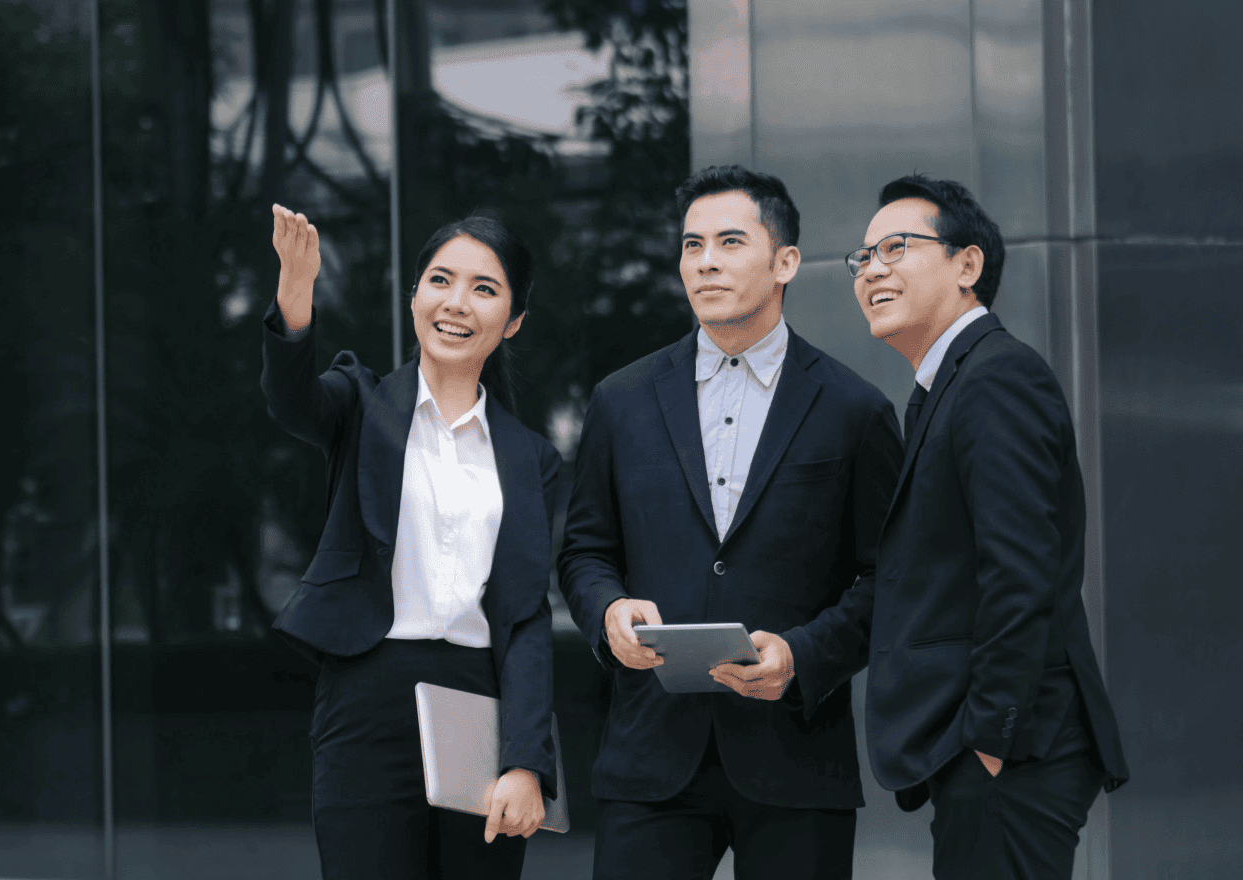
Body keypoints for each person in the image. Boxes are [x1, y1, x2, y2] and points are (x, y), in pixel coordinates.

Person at [558, 165, 903, 879]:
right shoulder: (621, 402)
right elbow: (585, 550)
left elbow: (890, 577)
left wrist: (804, 657)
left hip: (796, 753)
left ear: (785, 263)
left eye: (729, 241)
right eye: (691, 245)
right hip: (650, 754)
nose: (705, 260)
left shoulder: (854, 410)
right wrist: (609, 611)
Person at [792, 173, 1130, 878]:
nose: (872, 270)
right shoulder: (946, 389)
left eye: (895, 247)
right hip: (988, 753)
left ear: (967, 265)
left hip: (1015, 751)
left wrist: (989, 739)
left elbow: (1021, 572)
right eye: (863, 258)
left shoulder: (996, 378)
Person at [260, 205, 562, 879]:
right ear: (416, 296)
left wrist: (526, 760)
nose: (457, 303)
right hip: (367, 694)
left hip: (478, 703)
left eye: (485, 288)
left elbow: (526, 618)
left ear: (512, 321)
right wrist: (297, 288)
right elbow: (291, 400)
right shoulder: (361, 402)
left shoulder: (528, 457)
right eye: (440, 281)